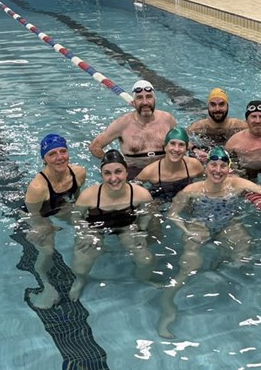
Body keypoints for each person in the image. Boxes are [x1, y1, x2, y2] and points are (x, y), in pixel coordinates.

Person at [157, 147, 261, 339]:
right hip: (199, 225)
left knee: (243, 254)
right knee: (187, 268)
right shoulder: (191, 191)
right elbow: (173, 214)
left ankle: (224, 271)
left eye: (223, 166)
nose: (218, 170)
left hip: (229, 225)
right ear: (206, 167)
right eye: (213, 165)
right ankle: (168, 310)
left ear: (229, 168)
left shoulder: (236, 184)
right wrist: (187, 231)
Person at [68, 149, 157, 302]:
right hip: (95, 227)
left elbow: (146, 213)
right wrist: (85, 231)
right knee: (80, 264)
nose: (113, 178)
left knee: (145, 260)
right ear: (102, 175)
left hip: (126, 227)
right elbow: (75, 216)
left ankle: (143, 279)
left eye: (118, 172)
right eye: (107, 173)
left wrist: (141, 231)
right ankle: (80, 280)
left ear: (126, 172)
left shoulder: (140, 194)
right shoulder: (89, 196)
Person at [22, 134, 88, 308]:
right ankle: (46, 284)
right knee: (48, 250)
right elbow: (33, 215)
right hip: (38, 214)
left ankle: (81, 277)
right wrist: (47, 227)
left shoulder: (79, 173)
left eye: (63, 151)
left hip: (61, 205)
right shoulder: (38, 187)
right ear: (44, 158)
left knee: (87, 230)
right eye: (52, 154)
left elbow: (78, 198)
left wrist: (80, 217)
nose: (59, 157)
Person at [89, 80, 177, 180]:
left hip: (164, 171)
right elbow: (95, 146)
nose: (145, 102)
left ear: (154, 99)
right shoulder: (122, 124)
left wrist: (194, 149)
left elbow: (183, 142)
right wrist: (113, 164)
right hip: (134, 175)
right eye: (139, 98)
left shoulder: (167, 119)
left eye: (148, 97)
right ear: (133, 102)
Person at [137, 126, 204, 201]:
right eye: (172, 143)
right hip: (159, 201)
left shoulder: (194, 165)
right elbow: (135, 190)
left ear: (186, 149)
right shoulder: (149, 172)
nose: (176, 149)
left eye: (181, 145)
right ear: (165, 147)